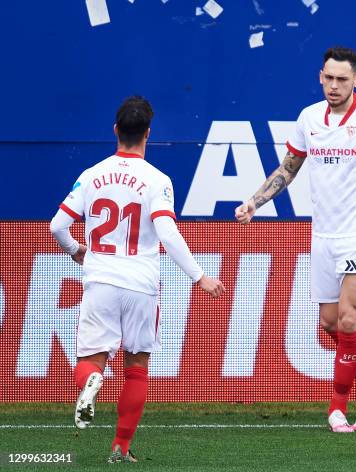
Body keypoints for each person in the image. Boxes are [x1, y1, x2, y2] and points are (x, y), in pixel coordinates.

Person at [235, 46, 356, 432]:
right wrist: (255, 201)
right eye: (328, 78)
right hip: (323, 237)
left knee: (350, 319)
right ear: (320, 76)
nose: (334, 86)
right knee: (331, 323)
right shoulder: (308, 119)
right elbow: (289, 169)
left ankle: (336, 408)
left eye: (342, 80)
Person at [50, 96, 225, 463]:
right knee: (136, 366)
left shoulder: (91, 175)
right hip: (141, 285)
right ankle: (121, 447)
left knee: (91, 360)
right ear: (148, 133)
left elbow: (58, 225)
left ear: (116, 130)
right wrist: (199, 276)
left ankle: (90, 383)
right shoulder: (157, 180)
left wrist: (76, 251)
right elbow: (166, 230)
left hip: (100, 280)